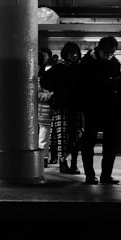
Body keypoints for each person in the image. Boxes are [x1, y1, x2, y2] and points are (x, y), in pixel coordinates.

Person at [77, 36, 121, 185]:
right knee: (89, 141)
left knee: (110, 144)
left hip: (111, 109)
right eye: (107, 52)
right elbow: (82, 87)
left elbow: (119, 85)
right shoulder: (86, 63)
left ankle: (106, 175)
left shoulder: (114, 63)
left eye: (112, 53)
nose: (109, 55)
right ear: (99, 49)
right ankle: (90, 175)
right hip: (92, 107)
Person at [41, 41, 83, 174]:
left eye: (76, 53)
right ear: (66, 54)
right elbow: (44, 80)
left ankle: (73, 163)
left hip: (75, 106)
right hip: (63, 107)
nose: (75, 56)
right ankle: (63, 163)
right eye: (72, 53)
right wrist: (58, 89)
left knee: (76, 136)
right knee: (63, 136)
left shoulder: (79, 69)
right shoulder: (60, 68)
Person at [36, 47, 54, 168]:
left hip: (43, 112)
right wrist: (51, 96)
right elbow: (37, 95)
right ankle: (43, 158)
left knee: (44, 137)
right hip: (44, 112)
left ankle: (44, 158)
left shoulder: (42, 77)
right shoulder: (40, 78)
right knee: (43, 137)